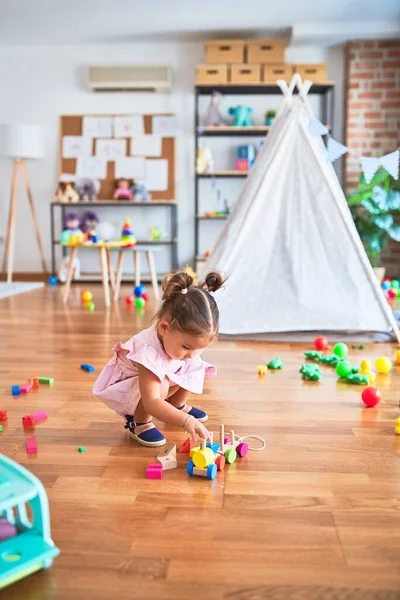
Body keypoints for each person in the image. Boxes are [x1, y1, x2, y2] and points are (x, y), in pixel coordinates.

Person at [93, 270, 225, 447]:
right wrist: (186, 421)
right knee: (161, 387)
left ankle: (176, 405)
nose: (192, 353)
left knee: (195, 365)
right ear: (164, 328)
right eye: (187, 346)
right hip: (131, 385)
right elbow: (152, 401)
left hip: (162, 373)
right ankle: (139, 422)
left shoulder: (180, 346)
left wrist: (190, 354)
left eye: (199, 348)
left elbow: (191, 357)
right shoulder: (148, 352)